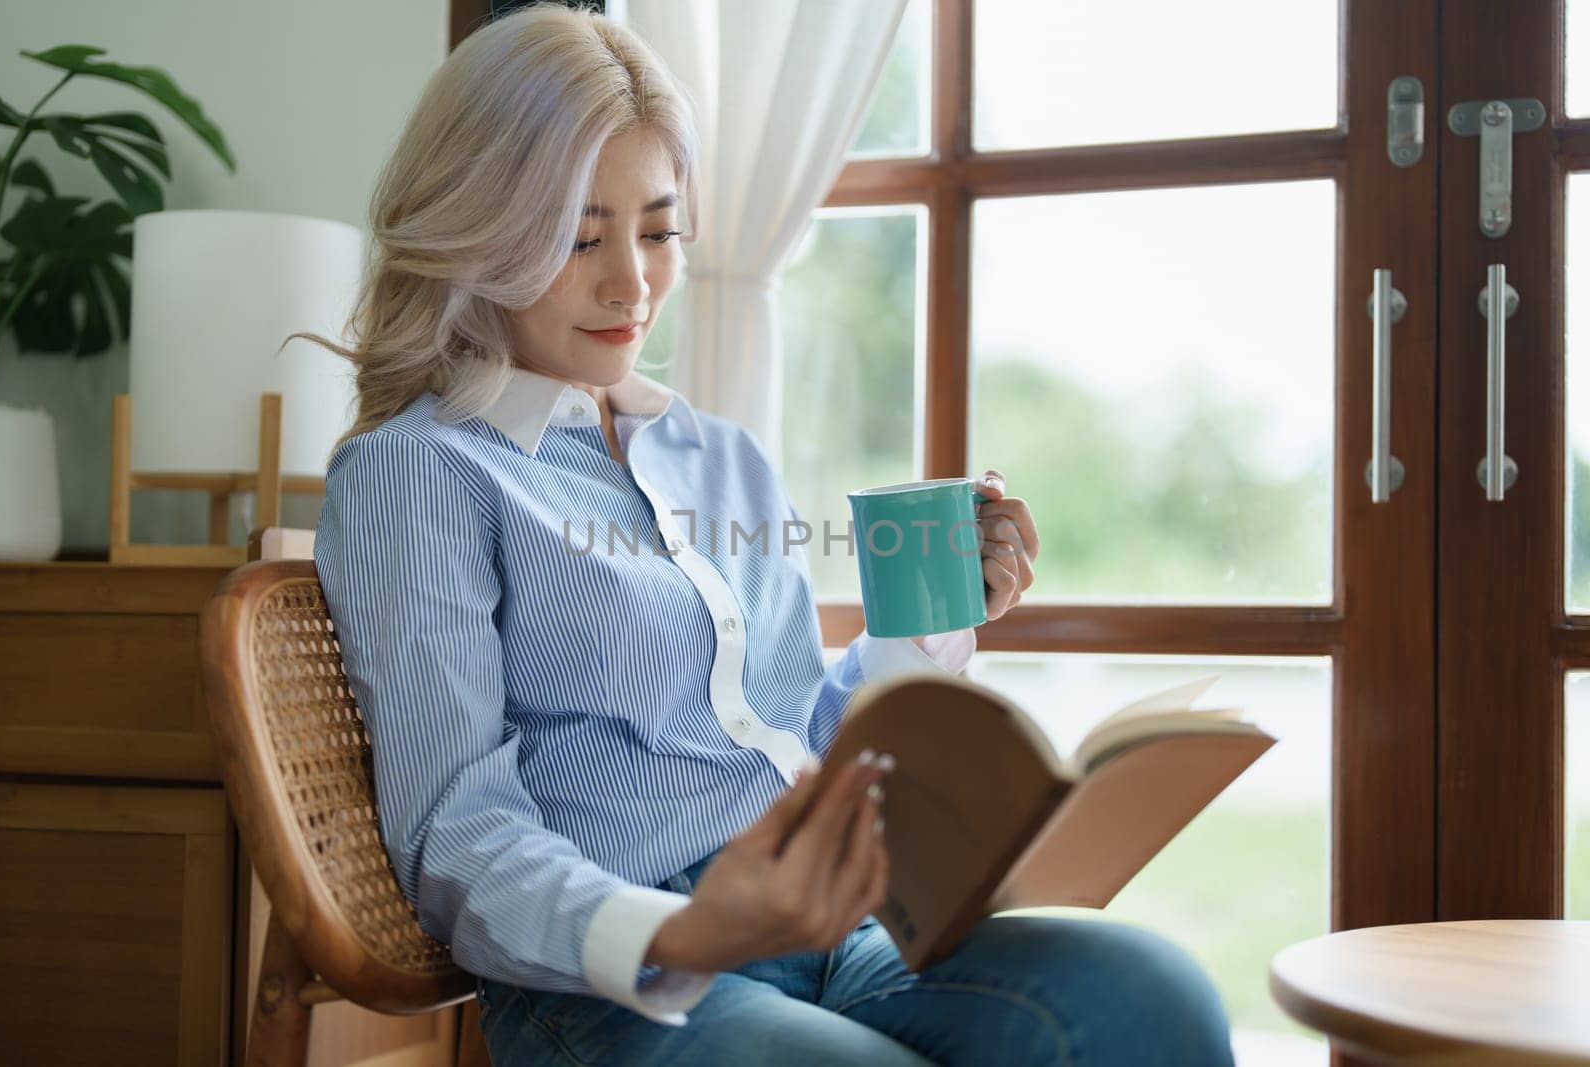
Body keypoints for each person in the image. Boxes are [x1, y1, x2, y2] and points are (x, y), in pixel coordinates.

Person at [299, 4, 1237, 1064]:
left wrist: (932, 616)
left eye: (657, 230)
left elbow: (803, 727)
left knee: (1148, 997)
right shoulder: (421, 470)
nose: (632, 283)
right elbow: (453, 829)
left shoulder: (721, 457)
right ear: (477, 224)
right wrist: (694, 929)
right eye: (578, 234)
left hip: (840, 924)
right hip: (621, 975)